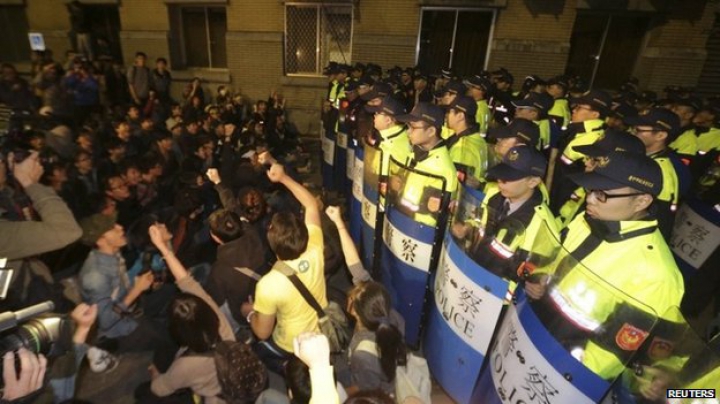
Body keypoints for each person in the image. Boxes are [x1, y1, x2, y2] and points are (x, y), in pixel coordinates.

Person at [525, 151, 684, 381]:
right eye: (591, 189)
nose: (589, 199)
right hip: (533, 330)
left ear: (642, 201)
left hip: (563, 372)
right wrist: (541, 276)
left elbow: (613, 354)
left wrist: (568, 375)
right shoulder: (586, 220)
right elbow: (554, 260)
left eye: (602, 194)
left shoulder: (657, 273)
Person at [137, 223, 268, 404]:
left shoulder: (185, 366)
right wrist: (164, 248)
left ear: (178, 331)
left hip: (216, 398)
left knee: (143, 393)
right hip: (232, 381)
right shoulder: (220, 324)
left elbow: (159, 388)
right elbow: (187, 283)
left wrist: (154, 373)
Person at [240, 162, 326, 374]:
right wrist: (284, 178)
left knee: (255, 347)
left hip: (291, 344)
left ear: (273, 245)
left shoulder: (268, 284)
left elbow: (262, 331)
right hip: (321, 329)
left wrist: (250, 313)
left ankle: (289, 368)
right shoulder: (315, 248)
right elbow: (311, 205)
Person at [392, 102, 458, 227]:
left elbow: (436, 215)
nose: (408, 132)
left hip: (420, 234)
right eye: (408, 126)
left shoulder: (443, 169)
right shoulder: (416, 153)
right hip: (401, 224)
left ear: (431, 131)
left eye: (414, 128)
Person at [205, 208, 268, 332]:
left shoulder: (220, 271)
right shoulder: (252, 232)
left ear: (215, 238)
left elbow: (215, 299)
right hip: (265, 294)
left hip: (245, 310)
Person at [626, 107, 684, 239]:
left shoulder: (660, 172)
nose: (632, 133)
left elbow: (658, 219)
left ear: (660, 135)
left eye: (638, 130)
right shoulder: (642, 157)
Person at [444, 95, 488, 184]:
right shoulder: (477, 138)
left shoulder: (462, 149)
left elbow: (457, 185)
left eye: (450, 112)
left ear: (460, 116)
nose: (447, 115)